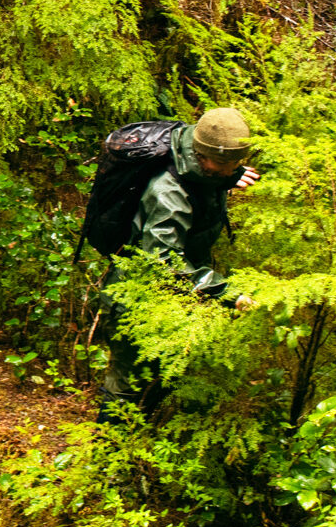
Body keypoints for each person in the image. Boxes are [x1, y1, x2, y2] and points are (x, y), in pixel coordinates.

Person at [99, 106, 260, 414]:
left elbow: (208, 177)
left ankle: (141, 442)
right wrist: (225, 293)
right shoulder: (168, 193)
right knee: (126, 383)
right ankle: (106, 452)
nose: (234, 169)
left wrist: (226, 178)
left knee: (165, 373)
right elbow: (163, 261)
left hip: (172, 297)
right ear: (204, 156)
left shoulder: (202, 165)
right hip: (133, 299)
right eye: (226, 163)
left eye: (237, 162)